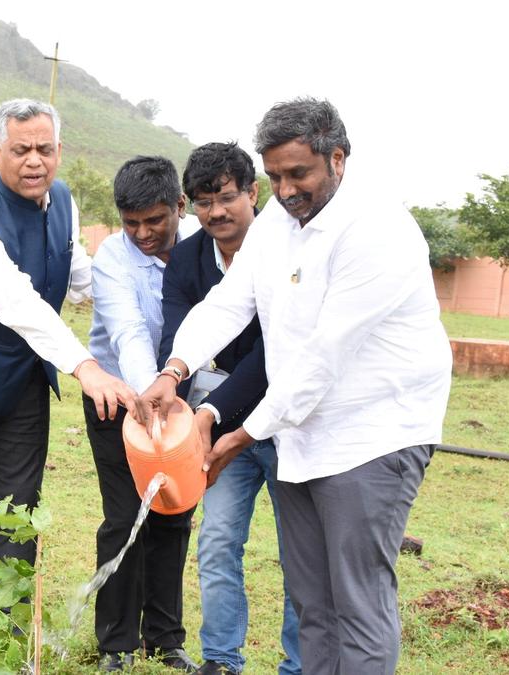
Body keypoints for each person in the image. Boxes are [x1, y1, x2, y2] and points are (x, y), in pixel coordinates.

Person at [137, 98, 451, 675]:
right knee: (313, 603)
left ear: (338, 158)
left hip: (372, 435)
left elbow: (323, 355)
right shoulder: (277, 226)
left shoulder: (377, 229)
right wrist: (172, 371)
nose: (284, 191)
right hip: (301, 435)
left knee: (356, 602)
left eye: (298, 173)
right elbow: (228, 303)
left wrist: (240, 434)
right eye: (275, 176)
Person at [0, 99, 137, 650]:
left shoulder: (62, 202)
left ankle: (9, 629)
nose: (34, 160)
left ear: (59, 151)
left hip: (23, 386)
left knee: (17, 511)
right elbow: (19, 303)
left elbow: (80, 276)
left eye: (44, 148)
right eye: (21, 150)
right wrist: (86, 367)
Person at [157, 142, 300, 675]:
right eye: (203, 202)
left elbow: (271, 356)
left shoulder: (286, 248)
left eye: (226, 197)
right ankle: (220, 659)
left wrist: (211, 410)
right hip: (219, 433)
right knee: (217, 542)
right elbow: (181, 335)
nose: (216, 212)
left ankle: (299, 664)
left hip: (287, 424)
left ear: (252, 193)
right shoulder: (187, 259)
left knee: (299, 554)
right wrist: (172, 384)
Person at [84, 156, 198, 672]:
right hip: (118, 400)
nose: (143, 234)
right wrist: (149, 396)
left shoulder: (202, 247)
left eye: (154, 220)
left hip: (182, 403)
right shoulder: (113, 255)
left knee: (174, 513)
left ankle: (165, 639)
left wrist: (171, 394)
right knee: (125, 515)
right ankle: (116, 644)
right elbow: (128, 331)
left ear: (179, 205)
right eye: (131, 223)